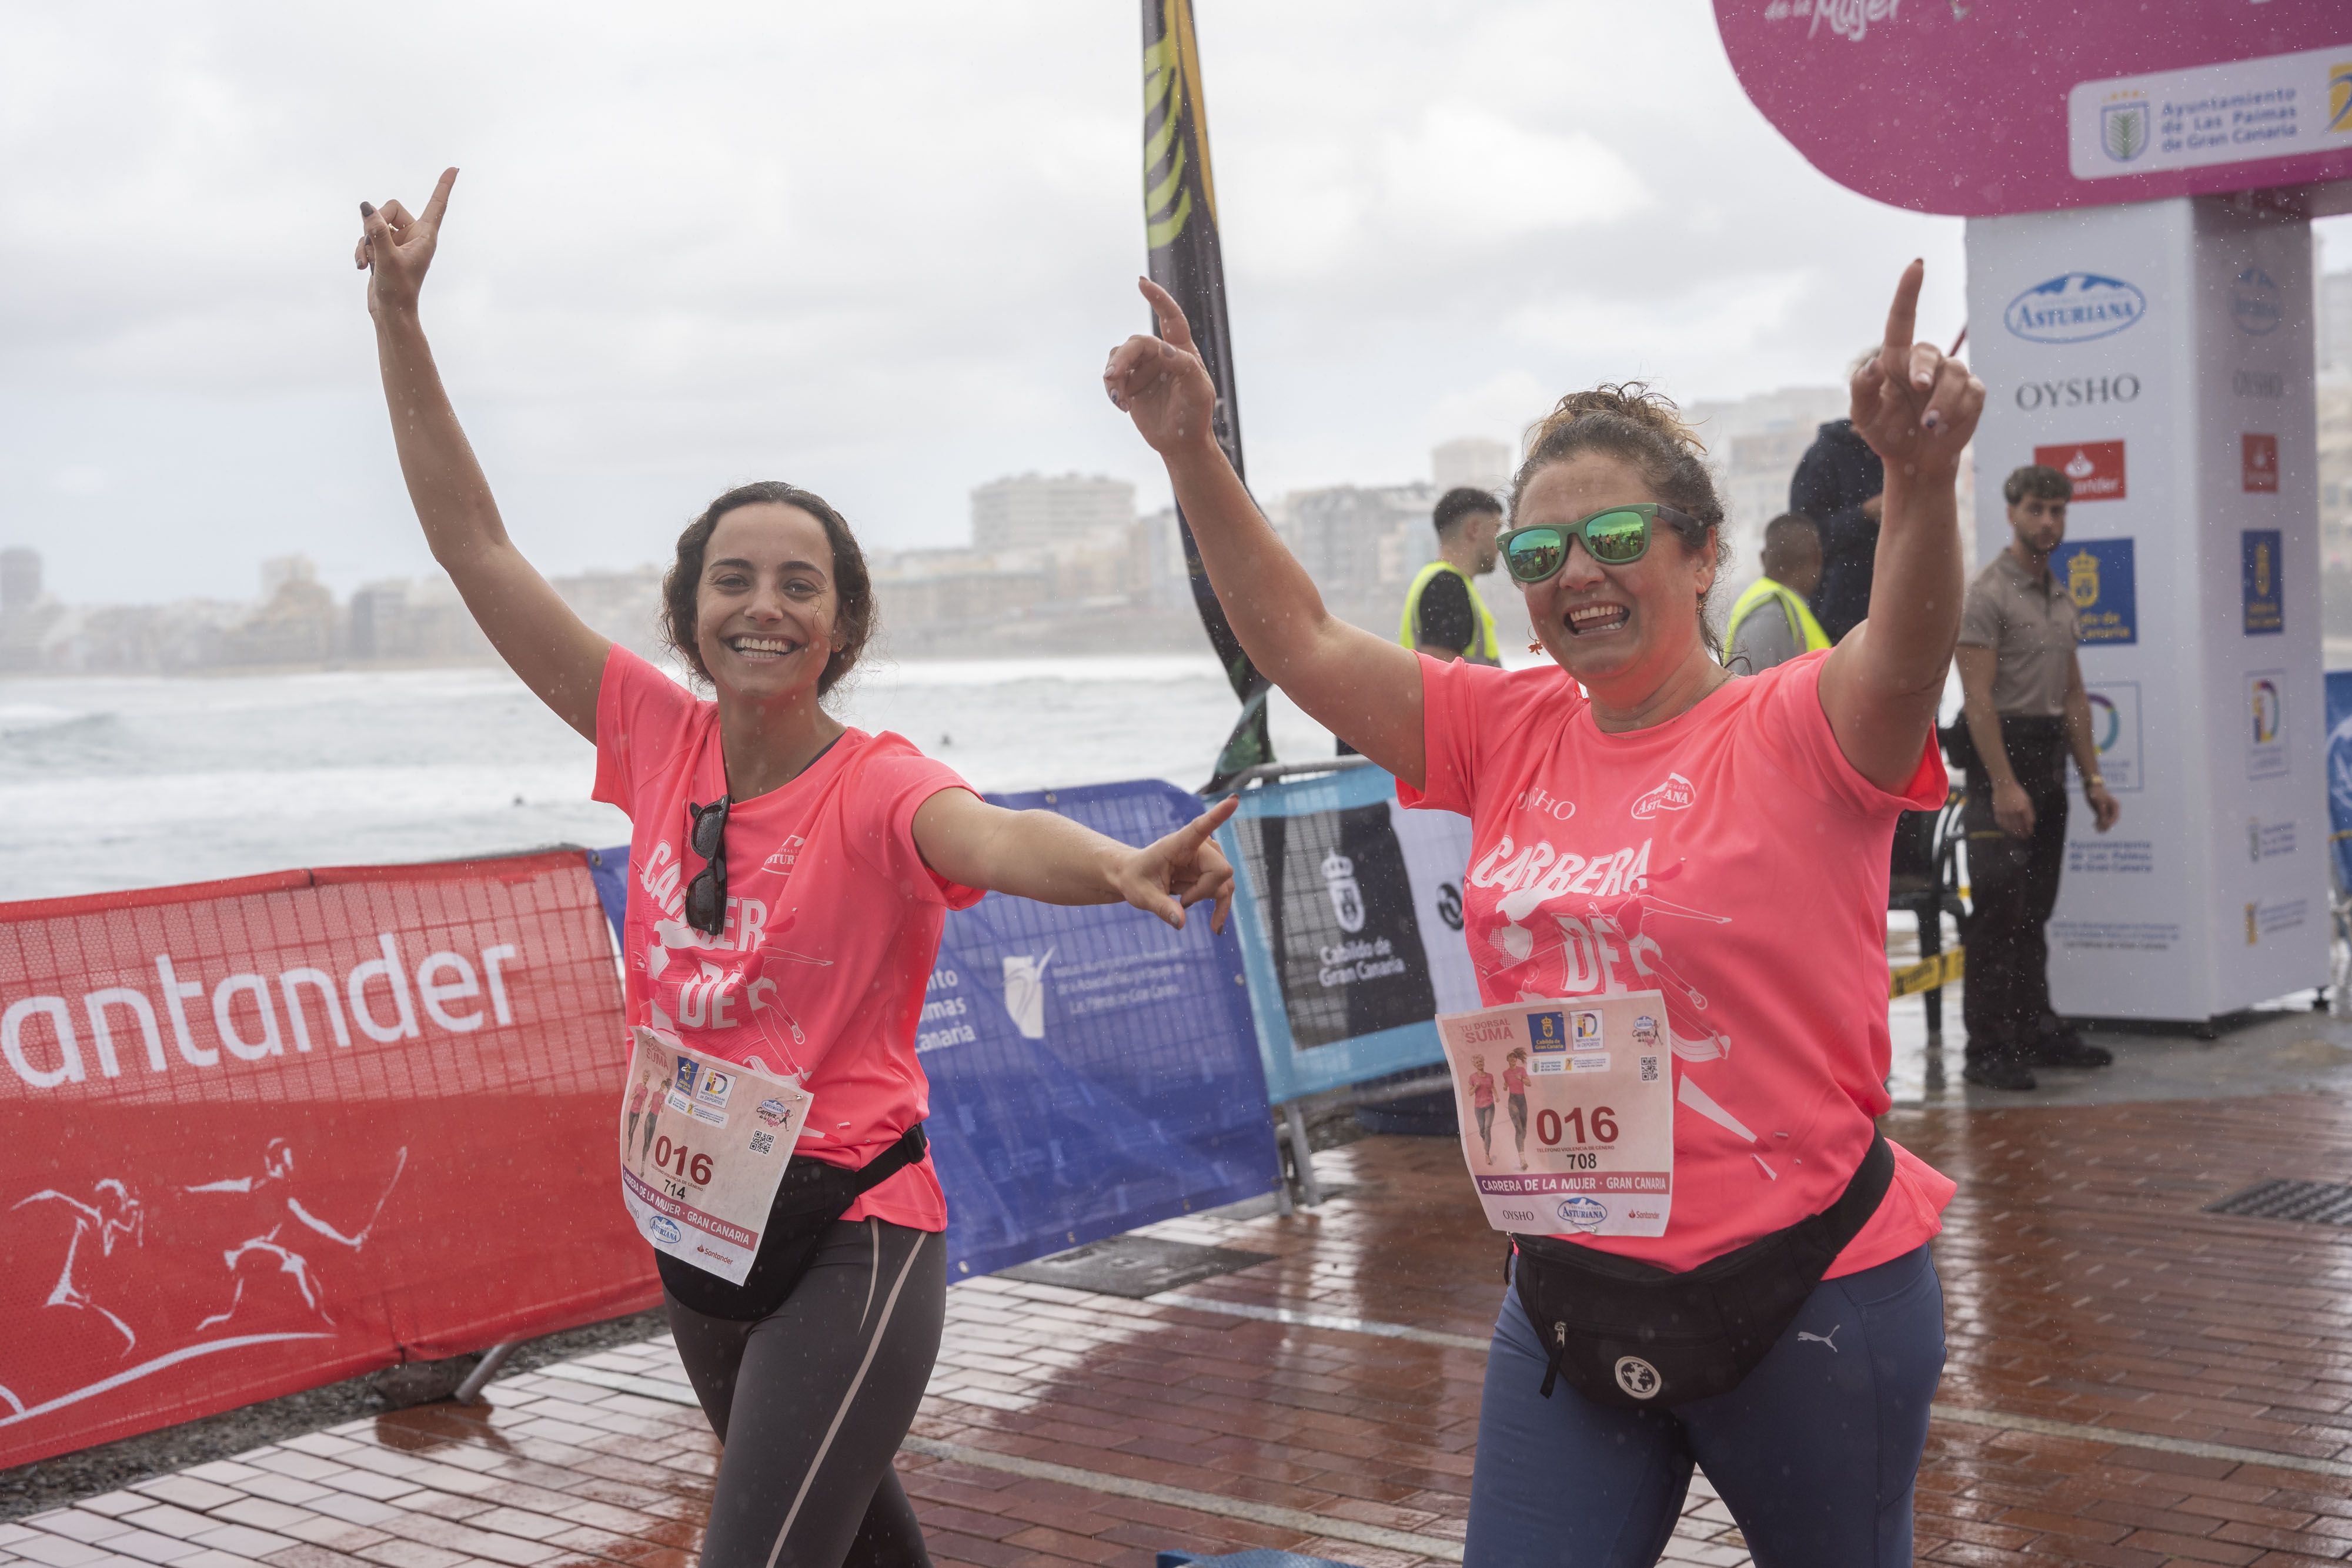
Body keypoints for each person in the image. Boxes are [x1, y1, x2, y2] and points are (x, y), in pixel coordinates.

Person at [356, 169, 1236, 1568]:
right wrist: (399, 318)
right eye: (734, 579)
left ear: (842, 626)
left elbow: (991, 835)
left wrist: (1119, 866)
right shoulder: (652, 737)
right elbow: (473, 546)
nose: (763, 605)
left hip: (851, 1233)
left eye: (799, 583)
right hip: (697, 1226)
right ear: (688, 613)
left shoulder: (874, 780)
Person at [1108, 259, 1970, 1566]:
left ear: (1700, 553)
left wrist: (1918, 482)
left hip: (1806, 1294)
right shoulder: (1503, 725)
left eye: (1617, 538)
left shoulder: (1797, 721)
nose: (1577, 574)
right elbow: (1300, 641)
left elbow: (1905, 654)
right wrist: (1190, 450)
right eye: (1536, 552)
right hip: (1569, 1287)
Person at [1954, 464, 2121, 1091]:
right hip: (2001, 760)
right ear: (2011, 513)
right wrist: (2003, 784)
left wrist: (2093, 778)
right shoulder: (1987, 593)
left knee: (2035, 910)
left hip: (2048, 758)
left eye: (2057, 511)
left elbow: (2074, 696)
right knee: (1998, 911)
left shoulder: (2059, 593)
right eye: (2036, 509)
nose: (2047, 521)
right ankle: (1987, 1049)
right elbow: (1977, 699)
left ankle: (2034, 1031)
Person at [1790, 369, 1886, 643]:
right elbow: (1804, 538)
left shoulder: (1905, 454)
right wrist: (1864, 514)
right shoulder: (1826, 456)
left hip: (1897, 614)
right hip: (1839, 620)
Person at [1403, 487, 1504, 664]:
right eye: (1496, 529)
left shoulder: (1437, 579)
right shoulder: (1446, 586)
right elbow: (1442, 674)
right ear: (1474, 529)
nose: (1500, 543)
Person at [1722, 512, 1829, 674]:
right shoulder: (1771, 614)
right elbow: (1752, 687)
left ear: (1763, 558)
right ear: (1818, 558)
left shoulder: (1777, 607)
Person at [1501, 1048, 1530, 1172]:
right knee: (1518, 1129)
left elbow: (1529, 1083)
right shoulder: (1505, 1073)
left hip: (1522, 1101)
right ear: (1507, 1060)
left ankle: (1520, 1146)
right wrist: (1505, 1087)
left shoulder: (1522, 1070)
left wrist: (1521, 1079)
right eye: (1510, 1057)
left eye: (1514, 1057)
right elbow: (1506, 1085)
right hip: (1512, 1101)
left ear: (1516, 1059)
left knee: (1524, 1130)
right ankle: (1522, 1160)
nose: (1513, 1059)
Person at [1469, 1054, 1497, 1161]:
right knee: (1482, 1130)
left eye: (1481, 1061)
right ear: (1474, 1065)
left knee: (1487, 1128)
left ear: (1484, 1062)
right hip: (1479, 1108)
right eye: (1477, 1062)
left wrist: (1497, 1096)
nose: (1479, 1063)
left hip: (1490, 1106)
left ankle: (1487, 1154)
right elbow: (1470, 1093)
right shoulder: (1473, 1077)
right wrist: (1476, 1087)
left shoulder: (1490, 1076)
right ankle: (1484, 1139)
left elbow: (1493, 1087)